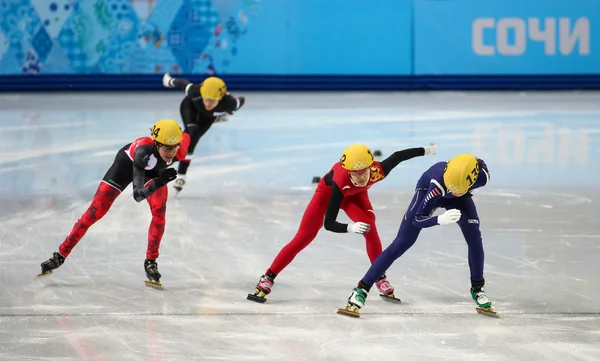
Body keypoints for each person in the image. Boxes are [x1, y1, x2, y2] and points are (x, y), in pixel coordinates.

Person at [247, 143, 438, 303]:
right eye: (355, 174)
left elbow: (398, 155)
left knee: (370, 226)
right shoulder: (341, 180)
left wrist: (426, 150)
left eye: (364, 172)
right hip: (328, 196)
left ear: (370, 167)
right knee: (303, 237)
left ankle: (380, 277)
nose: (361, 177)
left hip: (355, 197)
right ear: (348, 172)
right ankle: (269, 276)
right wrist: (350, 227)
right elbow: (329, 223)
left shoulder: (378, 171)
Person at [36, 119, 190, 289]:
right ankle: (59, 255)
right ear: (156, 143)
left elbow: (192, 131)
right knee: (95, 212)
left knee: (159, 213)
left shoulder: (179, 150)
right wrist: (160, 181)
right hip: (126, 166)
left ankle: (151, 262)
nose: (171, 152)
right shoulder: (143, 152)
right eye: (167, 148)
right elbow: (137, 195)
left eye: (174, 147)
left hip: (152, 173)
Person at [337, 154, 497, 317]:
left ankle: (478, 288)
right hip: (427, 192)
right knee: (401, 243)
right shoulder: (437, 186)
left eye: (457, 189)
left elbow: (472, 170)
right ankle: (361, 290)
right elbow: (417, 220)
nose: (453, 191)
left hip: (460, 200)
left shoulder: (482, 177)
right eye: (451, 187)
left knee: (474, 238)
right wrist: (439, 219)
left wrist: (458, 194)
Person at [162, 73, 245, 193]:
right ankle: (179, 172)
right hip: (190, 107)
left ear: (221, 98)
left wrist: (229, 112)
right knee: (192, 134)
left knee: (193, 138)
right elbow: (182, 83)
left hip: (209, 117)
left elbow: (241, 100)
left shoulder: (230, 102)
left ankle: (178, 171)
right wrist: (169, 81)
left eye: (212, 101)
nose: (208, 103)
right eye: (206, 99)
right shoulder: (195, 91)